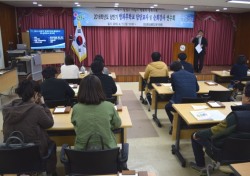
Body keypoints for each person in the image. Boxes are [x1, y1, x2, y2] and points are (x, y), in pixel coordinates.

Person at [190, 82, 250, 173]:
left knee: (195, 135)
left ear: (248, 99)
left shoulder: (236, 117)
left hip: (227, 154)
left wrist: (198, 133)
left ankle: (200, 165)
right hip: (247, 154)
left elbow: (215, 131)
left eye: (243, 94)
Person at [2, 80, 57, 175]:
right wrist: (43, 104)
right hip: (34, 154)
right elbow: (49, 124)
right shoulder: (37, 109)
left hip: (13, 152)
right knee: (52, 144)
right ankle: (50, 172)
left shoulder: (7, 109)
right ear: (36, 94)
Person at [71, 74, 121, 150]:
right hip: (107, 151)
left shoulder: (76, 108)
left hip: (82, 153)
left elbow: (75, 125)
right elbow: (117, 124)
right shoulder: (109, 106)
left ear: (81, 90)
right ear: (100, 89)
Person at [165, 61, 199, 134]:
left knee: (167, 107)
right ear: (182, 67)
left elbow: (174, 89)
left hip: (180, 102)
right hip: (193, 101)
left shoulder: (174, 75)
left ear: (173, 70)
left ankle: (175, 124)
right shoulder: (192, 75)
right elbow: (197, 89)